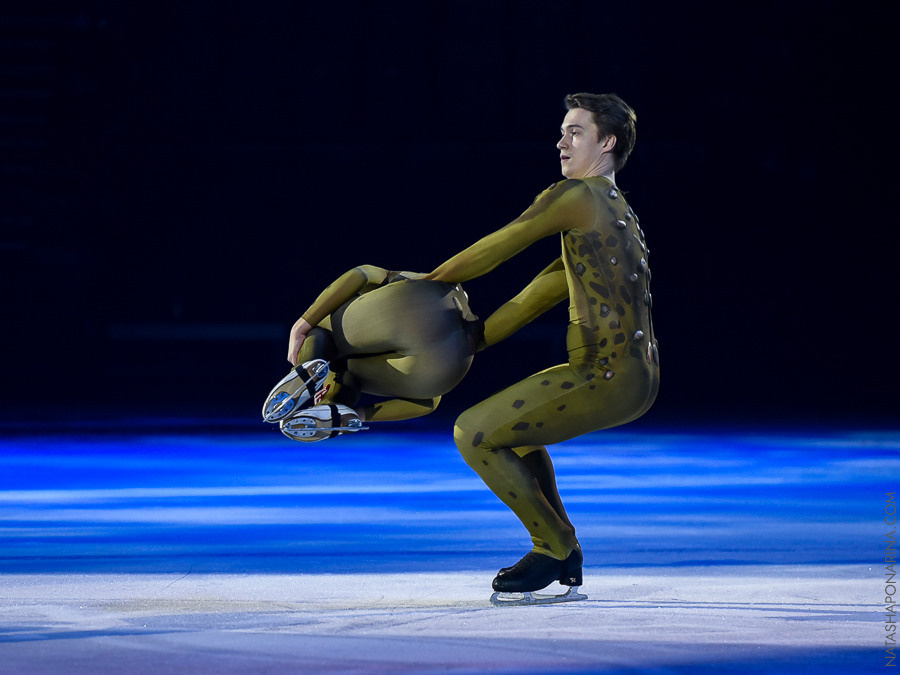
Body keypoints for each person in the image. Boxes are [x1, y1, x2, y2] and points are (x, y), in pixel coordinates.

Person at [424, 92, 659, 602]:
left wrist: (429, 282)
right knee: (517, 433)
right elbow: (539, 294)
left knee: (473, 432)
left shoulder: (578, 195)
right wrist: (473, 339)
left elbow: (504, 242)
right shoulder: (616, 212)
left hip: (606, 374)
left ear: (608, 142)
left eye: (575, 131)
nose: (561, 141)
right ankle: (564, 550)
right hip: (633, 375)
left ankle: (552, 547)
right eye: (562, 131)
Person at [262, 265, 485, 441]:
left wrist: (302, 324)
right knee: (347, 373)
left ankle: (309, 371)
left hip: (410, 308)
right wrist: (360, 415)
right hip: (439, 365)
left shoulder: (402, 280)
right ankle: (332, 408)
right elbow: (430, 403)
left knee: (320, 331)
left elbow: (362, 272)